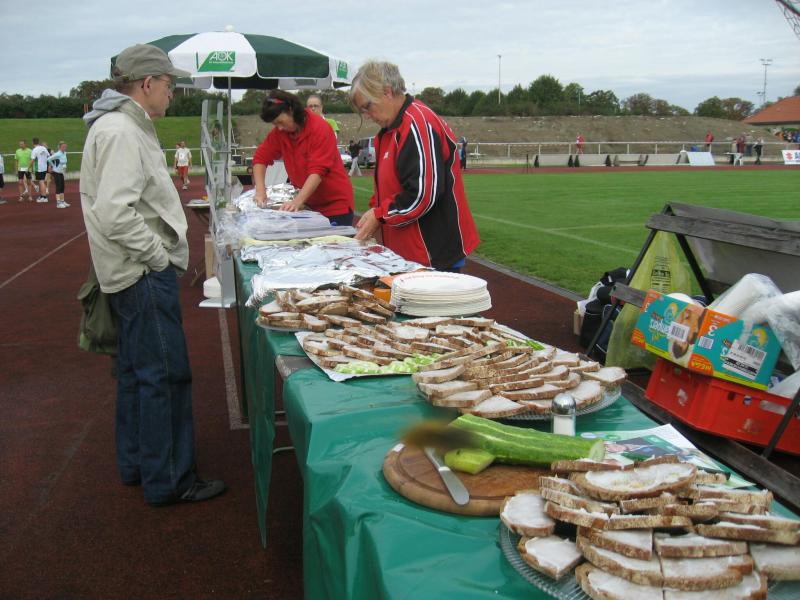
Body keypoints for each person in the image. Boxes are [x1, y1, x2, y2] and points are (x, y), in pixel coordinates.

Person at [79, 43, 226, 507]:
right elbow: (115, 212)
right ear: (146, 84)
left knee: (136, 373)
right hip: (140, 272)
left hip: (129, 271)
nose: (171, 93)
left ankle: (140, 464)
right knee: (165, 375)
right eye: (168, 84)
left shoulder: (119, 126)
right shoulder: (122, 131)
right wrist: (158, 257)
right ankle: (171, 479)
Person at [349, 60, 479, 271]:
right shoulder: (389, 132)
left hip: (432, 254)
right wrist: (375, 210)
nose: (367, 115)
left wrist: (380, 215)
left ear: (387, 92)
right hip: (408, 253)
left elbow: (422, 195)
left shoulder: (417, 124)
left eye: (367, 106)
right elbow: (389, 188)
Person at [252, 90, 355, 226]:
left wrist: (297, 201)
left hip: (335, 207)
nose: (279, 128)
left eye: (280, 122)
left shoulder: (320, 128)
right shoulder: (280, 133)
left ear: (291, 111)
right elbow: (260, 158)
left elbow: (318, 171)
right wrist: (260, 190)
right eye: (275, 125)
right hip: (309, 205)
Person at [47, 141, 69, 208]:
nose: (64, 148)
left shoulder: (64, 153)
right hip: (56, 172)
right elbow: (49, 159)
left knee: (62, 186)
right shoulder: (58, 154)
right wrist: (53, 165)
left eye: (65, 147)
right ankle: (58, 203)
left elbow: (63, 162)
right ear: (59, 147)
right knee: (58, 187)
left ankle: (62, 201)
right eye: (63, 147)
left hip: (61, 172)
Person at [30, 137, 50, 203]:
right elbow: (48, 156)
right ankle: (42, 196)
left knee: (41, 182)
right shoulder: (44, 148)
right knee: (41, 181)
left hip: (39, 168)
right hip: (44, 167)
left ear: (33, 142)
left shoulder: (34, 150)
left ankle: (44, 197)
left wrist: (28, 168)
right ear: (38, 142)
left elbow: (32, 160)